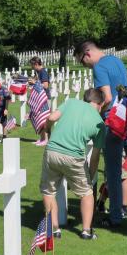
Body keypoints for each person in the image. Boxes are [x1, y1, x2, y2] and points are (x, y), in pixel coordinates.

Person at [76, 39, 127, 228]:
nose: (85, 66)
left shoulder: (99, 68)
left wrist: (93, 114)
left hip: (112, 122)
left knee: (113, 172)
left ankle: (115, 217)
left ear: (88, 53)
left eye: (82, 61)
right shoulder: (117, 61)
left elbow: (106, 97)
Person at [40, 88, 106, 240]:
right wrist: (90, 174)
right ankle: (86, 231)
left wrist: (48, 130)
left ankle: (55, 229)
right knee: (86, 193)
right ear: (100, 104)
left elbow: (51, 117)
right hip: (74, 157)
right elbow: (95, 156)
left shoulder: (70, 103)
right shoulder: (100, 124)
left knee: (49, 191)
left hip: (52, 152)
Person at [29, 56, 51, 146]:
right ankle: (42, 139)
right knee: (39, 119)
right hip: (39, 98)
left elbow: (46, 85)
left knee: (45, 120)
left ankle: (46, 139)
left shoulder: (43, 72)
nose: (31, 67)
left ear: (36, 64)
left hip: (44, 98)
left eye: (32, 65)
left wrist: (35, 83)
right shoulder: (37, 72)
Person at [0, 77, 11, 143]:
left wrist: (6, 109)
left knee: (4, 124)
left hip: (3, 108)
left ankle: (4, 137)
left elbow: (7, 99)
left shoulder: (4, 89)